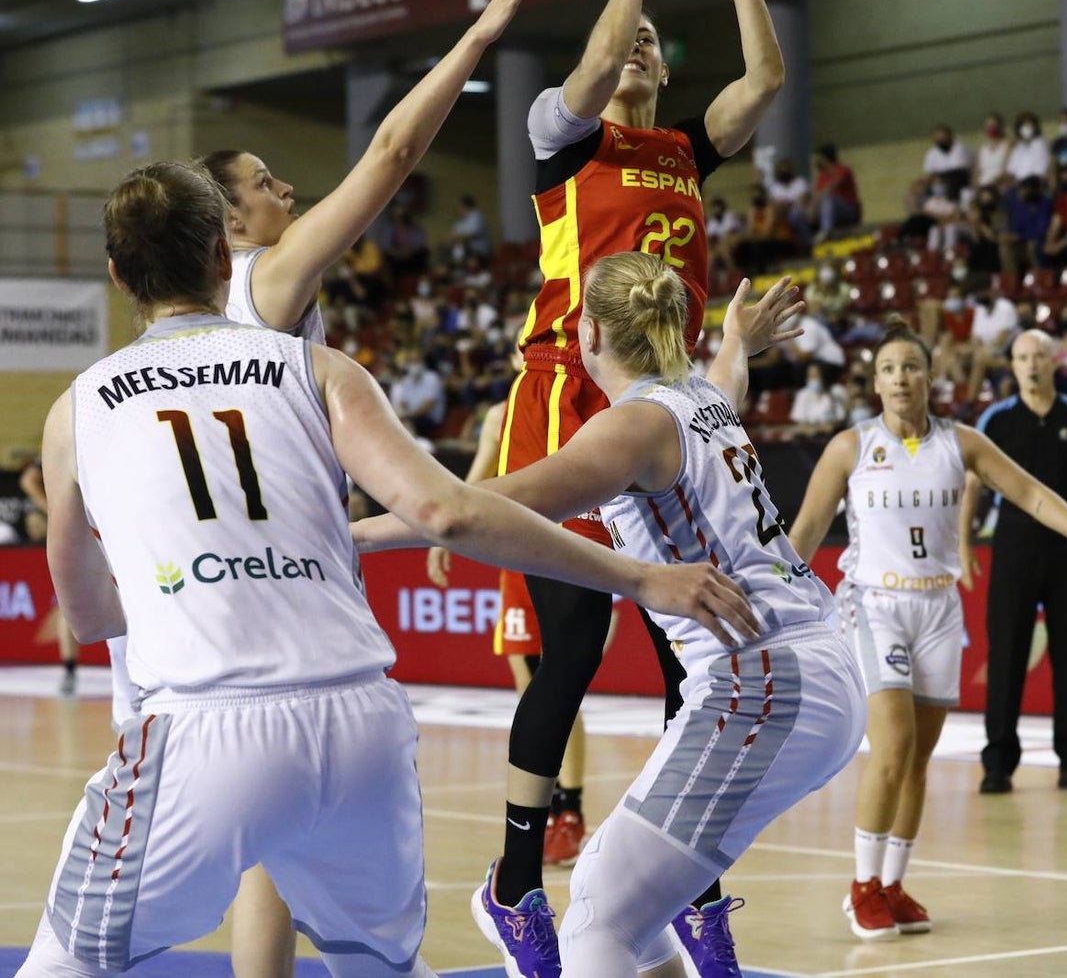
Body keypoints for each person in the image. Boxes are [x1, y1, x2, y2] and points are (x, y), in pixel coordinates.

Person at [16, 164, 757, 978]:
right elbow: (452, 512)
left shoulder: (77, 408)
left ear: (117, 274)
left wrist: (198, 582)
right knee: (380, 966)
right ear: (225, 261)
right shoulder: (318, 370)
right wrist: (643, 578)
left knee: (66, 959)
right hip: (360, 727)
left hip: (204, 726)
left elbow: (87, 615)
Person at [108, 0, 539, 978]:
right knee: (311, 873)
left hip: (191, 622)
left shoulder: (164, 346)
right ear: (224, 225)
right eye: (263, 183)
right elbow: (390, 155)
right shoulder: (266, 279)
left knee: (269, 860)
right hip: (260, 628)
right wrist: (478, 39)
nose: (287, 187)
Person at [447, 0, 786, 978]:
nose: (634, 49)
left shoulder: (685, 151)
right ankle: (512, 886)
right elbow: (593, 61)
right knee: (576, 649)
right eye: (625, 39)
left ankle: (693, 887)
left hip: (665, 408)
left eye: (649, 43)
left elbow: (765, 77)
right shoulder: (565, 138)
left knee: (698, 659)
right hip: (566, 399)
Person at [355, 255, 867, 978]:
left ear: (588, 333)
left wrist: (350, 534)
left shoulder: (631, 427)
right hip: (812, 665)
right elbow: (728, 379)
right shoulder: (697, 395)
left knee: (597, 907)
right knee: (633, 899)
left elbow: (467, 512)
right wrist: (735, 343)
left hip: (765, 681)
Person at [787, 318, 1067, 940]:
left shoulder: (962, 442)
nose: (899, 378)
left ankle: (891, 884)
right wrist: (770, 589)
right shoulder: (850, 447)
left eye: (910, 367)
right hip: (873, 604)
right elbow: (805, 530)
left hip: (939, 609)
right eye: (887, 369)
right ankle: (860, 886)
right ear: (875, 382)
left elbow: (1028, 492)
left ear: (930, 377)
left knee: (918, 759)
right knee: (889, 747)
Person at [424, 357, 595, 867]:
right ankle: (547, 813)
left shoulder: (580, 404)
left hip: (568, 547)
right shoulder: (504, 414)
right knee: (533, 685)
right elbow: (472, 484)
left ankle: (572, 810)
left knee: (562, 677)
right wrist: (442, 533)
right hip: (516, 560)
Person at [962, 330, 1067, 795]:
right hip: (1012, 546)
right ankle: (998, 762)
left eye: (1038, 355)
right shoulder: (996, 418)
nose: (1031, 363)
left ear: (1055, 360)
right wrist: (963, 545)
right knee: (1006, 656)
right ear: (1012, 366)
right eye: (1021, 356)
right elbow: (973, 486)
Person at [20, 459, 80, 695]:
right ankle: (69, 670)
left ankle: (70, 670)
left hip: (96, 526)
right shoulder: (64, 438)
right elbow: (28, 480)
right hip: (77, 529)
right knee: (68, 603)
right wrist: (55, 513)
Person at [809, 143, 861, 243]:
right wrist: (812, 207)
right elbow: (817, 194)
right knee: (799, 212)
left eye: (820, 158)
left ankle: (826, 231)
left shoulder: (843, 169)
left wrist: (817, 201)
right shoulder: (822, 175)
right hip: (829, 210)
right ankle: (808, 242)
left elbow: (832, 186)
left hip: (850, 210)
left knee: (828, 199)